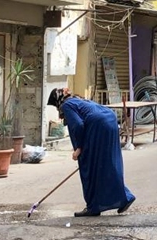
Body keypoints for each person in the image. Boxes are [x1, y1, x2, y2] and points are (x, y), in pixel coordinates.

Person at [47, 88, 136, 217]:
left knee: (90, 167)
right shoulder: (78, 99)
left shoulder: (66, 105)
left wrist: (79, 148)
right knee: (106, 164)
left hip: (99, 126)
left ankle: (93, 207)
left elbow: (78, 125)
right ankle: (125, 197)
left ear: (58, 101)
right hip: (110, 120)